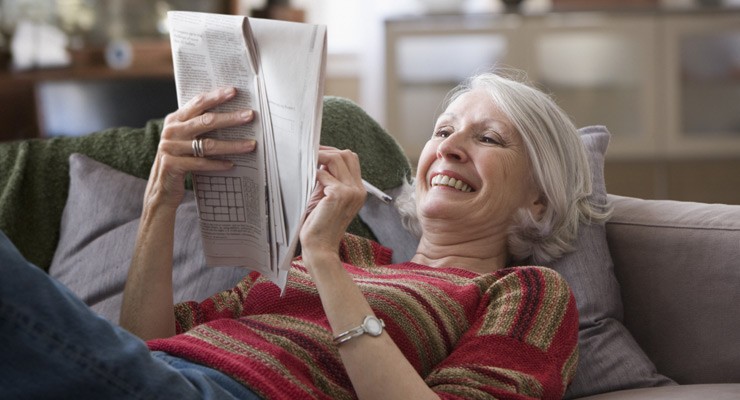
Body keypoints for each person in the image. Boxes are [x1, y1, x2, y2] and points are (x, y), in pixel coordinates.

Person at [0, 71, 608, 399]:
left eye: (488, 138)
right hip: (157, 372)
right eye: (443, 129)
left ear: (539, 195)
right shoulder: (353, 251)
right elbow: (146, 342)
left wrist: (319, 256)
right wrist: (162, 192)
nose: (447, 147)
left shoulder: (527, 292)